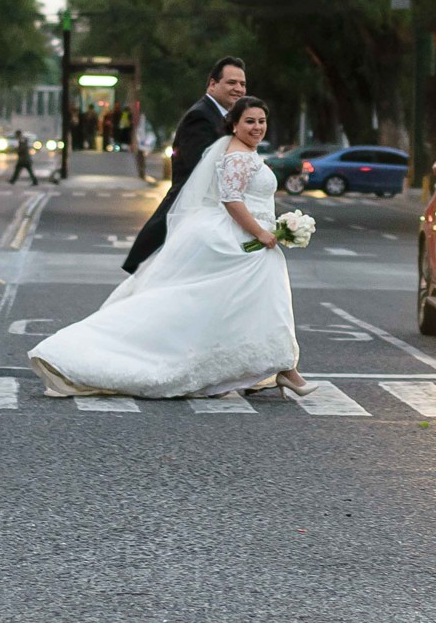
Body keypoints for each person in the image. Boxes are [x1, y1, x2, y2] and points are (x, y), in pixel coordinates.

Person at [30, 97, 315, 399]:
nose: (257, 127)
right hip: (243, 240)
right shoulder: (238, 157)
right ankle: (284, 369)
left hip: (250, 239)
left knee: (241, 306)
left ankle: (275, 368)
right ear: (234, 124)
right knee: (235, 303)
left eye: (261, 121)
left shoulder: (244, 152)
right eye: (250, 121)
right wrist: (262, 232)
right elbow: (232, 200)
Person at [121, 56, 247, 273]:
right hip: (192, 214)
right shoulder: (200, 116)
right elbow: (198, 169)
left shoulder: (224, 117)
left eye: (242, 84)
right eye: (231, 82)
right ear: (212, 84)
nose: (238, 89)